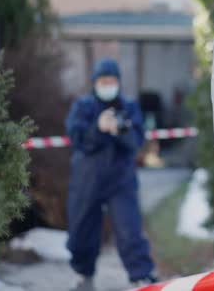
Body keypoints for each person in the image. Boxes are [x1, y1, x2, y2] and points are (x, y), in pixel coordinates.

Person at [65, 58, 157, 290]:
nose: (108, 85)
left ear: (118, 82)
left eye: (112, 81)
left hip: (120, 180)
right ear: (95, 82)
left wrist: (118, 130)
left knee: (130, 230)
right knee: (81, 230)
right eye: (103, 81)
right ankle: (83, 274)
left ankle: (140, 277)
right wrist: (98, 128)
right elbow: (77, 138)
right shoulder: (83, 106)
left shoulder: (129, 106)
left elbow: (136, 141)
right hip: (87, 180)